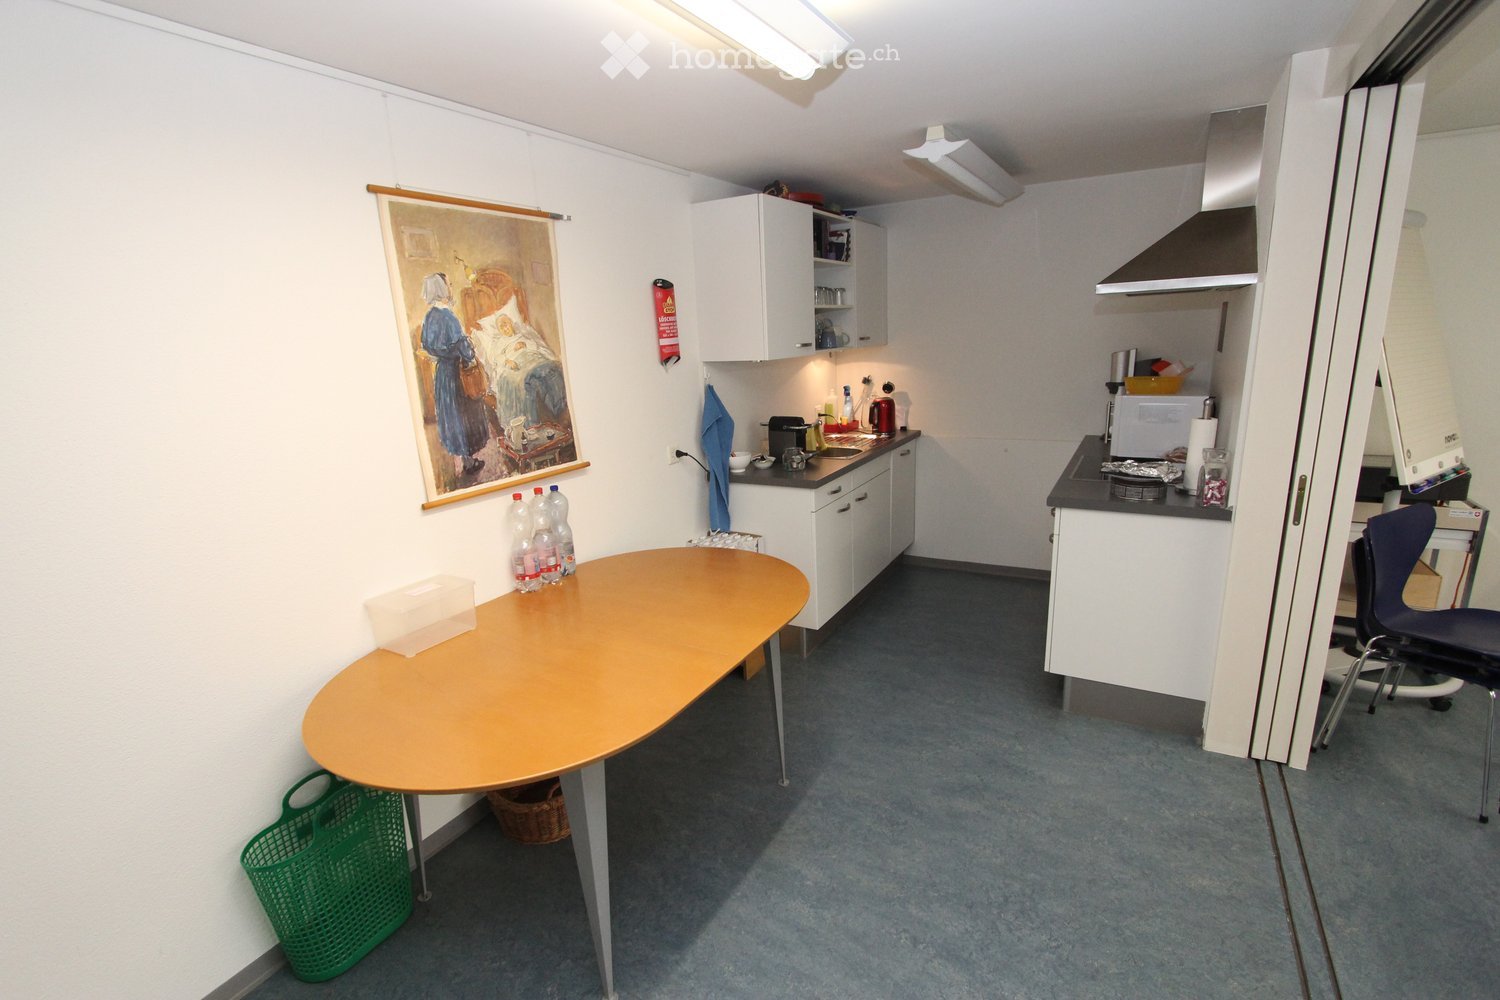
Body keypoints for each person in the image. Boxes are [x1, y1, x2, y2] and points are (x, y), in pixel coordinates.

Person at [419, 273, 488, 477]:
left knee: (452, 415)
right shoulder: (448, 316)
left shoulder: (430, 316)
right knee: (464, 414)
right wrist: (471, 355)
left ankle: (465, 459)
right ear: (441, 288)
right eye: (448, 284)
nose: (451, 287)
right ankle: (469, 461)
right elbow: (461, 345)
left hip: (443, 374)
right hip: (457, 373)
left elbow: (428, 346)